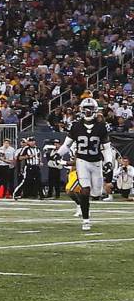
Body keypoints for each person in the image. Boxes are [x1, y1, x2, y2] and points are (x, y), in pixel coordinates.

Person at [53, 98, 114, 230]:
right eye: (85, 108)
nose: (87, 111)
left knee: (96, 193)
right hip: (81, 161)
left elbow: (107, 148)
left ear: (95, 110)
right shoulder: (76, 126)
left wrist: (108, 161)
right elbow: (66, 145)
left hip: (96, 162)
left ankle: (89, 206)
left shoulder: (101, 126)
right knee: (85, 190)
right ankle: (86, 220)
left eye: (90, 108)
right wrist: (58, 153)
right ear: (81, 109)